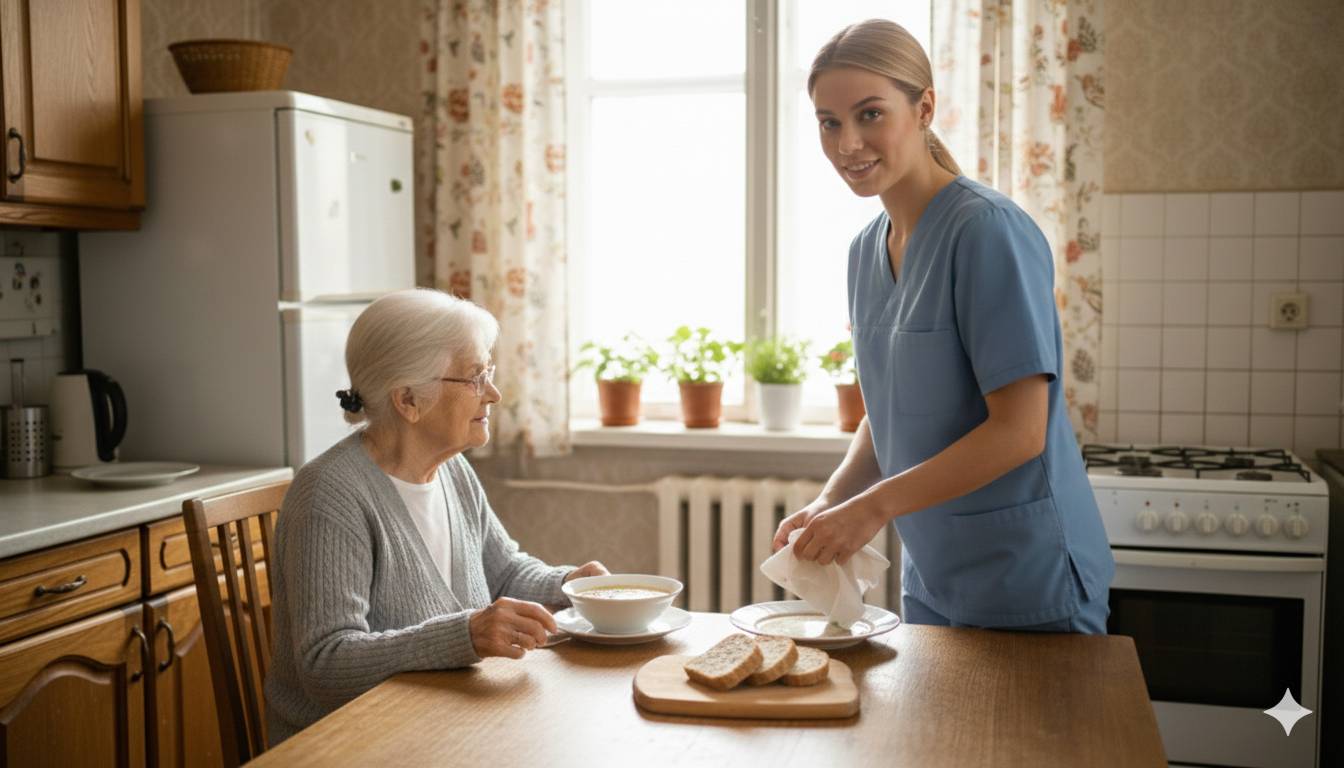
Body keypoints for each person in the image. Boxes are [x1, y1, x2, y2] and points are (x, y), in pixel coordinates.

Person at [773, 19, 1114, 633]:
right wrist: (834, 499)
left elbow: (1019, 432)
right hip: (933, 581)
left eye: (870, 114)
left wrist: (870, 510)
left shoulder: (987, 231)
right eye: (830, 122)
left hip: (1030, 577)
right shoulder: (864, 251)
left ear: (924, 107)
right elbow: (895, 407)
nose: (848, 142)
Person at [266, 288, 608, 744]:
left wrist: (570, 585)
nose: (494, 393)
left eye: (488, 372)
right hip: (346, 745)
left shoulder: (452, 471)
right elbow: (325, 665)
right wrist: (465, 634)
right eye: (473, 377)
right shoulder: (329, 496)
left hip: (438, 724)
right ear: (408, 401)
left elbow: (502, 570)